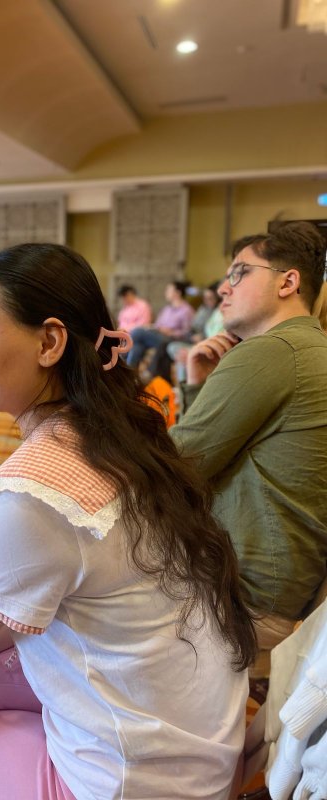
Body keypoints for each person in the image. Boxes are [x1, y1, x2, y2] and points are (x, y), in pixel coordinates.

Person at [0, 243, 256, 800]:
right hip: (196, 739)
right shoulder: (123, 433)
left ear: (50, 342)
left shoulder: (33, 495)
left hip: (135, 782)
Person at [171, 221, 327, 677]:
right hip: (288, 588)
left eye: (239, 272)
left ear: (288, 282)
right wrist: (199, 385)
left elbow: (178, 466)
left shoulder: (274, 350)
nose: (224, 288)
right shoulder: (309, 347)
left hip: (245, 595)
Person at [125, 280, 194, 377]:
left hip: (170, 338)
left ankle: (121, 365)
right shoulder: (167, 309)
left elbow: (187, 332)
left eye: (168, 290)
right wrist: (151, 327)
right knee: (137, 346)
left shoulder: (186, 310)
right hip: (156, 335)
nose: (166, 292)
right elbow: (158, 325)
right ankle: (129, 375)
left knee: (136, 332)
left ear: (178, 293)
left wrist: (171, 332)